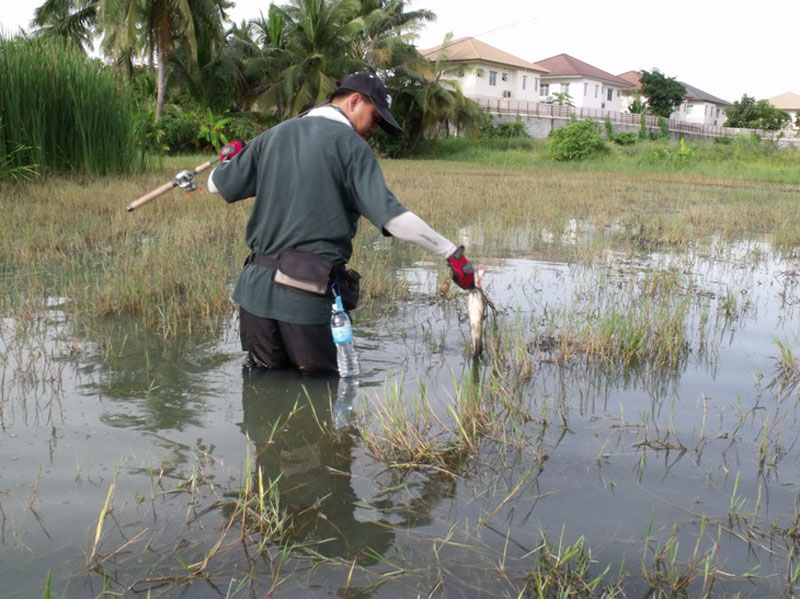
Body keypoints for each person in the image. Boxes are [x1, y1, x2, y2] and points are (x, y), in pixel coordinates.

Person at [208, 71, 475, 374]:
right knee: (318, 404)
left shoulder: (275, 135)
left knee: (262, 394)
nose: (373, 129)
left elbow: (217, 184)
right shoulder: (352, 147)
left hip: (254, 295)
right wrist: (450, 252)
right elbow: (394, 219)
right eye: (375, 118)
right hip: (304, 298)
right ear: (355, 100)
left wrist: (230, 159)